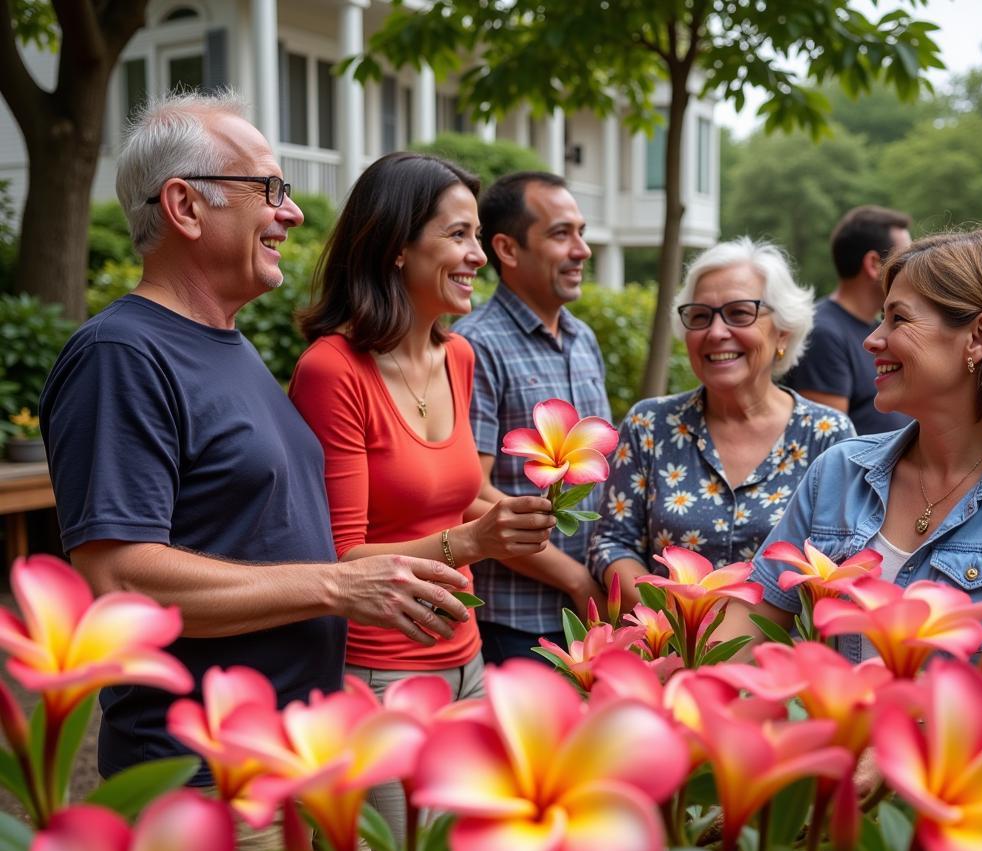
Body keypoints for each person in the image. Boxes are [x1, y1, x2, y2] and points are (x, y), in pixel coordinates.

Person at [39, 92, 471, 786]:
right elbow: (120, 580)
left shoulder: (228, 345)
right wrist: (337, 583)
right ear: (184, 206)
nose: (292, 213)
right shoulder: (120, 354)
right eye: (268, 189)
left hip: (297, 760)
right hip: (210, 781)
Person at [289, 151, 553, 703]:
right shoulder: (332, 370)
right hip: (377, 673)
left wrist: (521, 519)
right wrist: (477, 540)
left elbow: (462, 500)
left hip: (468, 658)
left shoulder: (458, 356)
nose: (479, 256)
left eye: (477, 236)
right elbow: (340, 560)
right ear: (396, 248)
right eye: (459, 234)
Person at [747, 228, 982, 713]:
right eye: (879, 318)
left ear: (978, 337)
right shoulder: (838, 472)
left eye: (898, 319)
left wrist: (909, 747)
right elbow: (744, 629)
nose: (872, 340)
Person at [588, 237, 855, 614]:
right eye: (700, 316)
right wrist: (683, 623)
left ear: (782, 330)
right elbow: (611, 544)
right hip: (669, 654)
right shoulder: (650, 425)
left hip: (784, 663)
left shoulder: (829, 436)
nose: (715, 332)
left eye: (739, 312)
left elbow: (842, 563)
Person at [455, 171, 612, 663]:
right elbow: (470, 495)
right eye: (561, 234)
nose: (582, 249)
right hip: (515, 624)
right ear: (507, 248)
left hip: (591, 613)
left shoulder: (582, 338)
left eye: (581, 232)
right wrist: (573, 577)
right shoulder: (475, 345)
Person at [785, 205, 913, 434]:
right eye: (904, 259)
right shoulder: (823, 333)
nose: (913, 270)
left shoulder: (878, 330)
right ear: (873, 264)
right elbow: (824, 438)